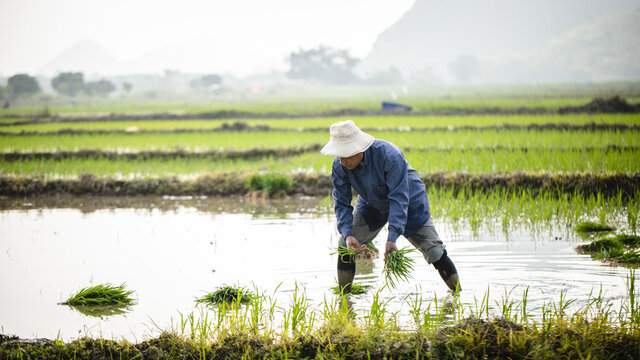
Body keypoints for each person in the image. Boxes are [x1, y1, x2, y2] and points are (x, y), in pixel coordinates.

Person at [321, 120, 461, 294]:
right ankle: (345, 299)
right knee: (344, 246)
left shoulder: (389, 156)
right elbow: (341, 202)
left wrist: (392, 238)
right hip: (371, 204)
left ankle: (458, 295)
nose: (342, 161)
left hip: (410, 202)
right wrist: (348, 235)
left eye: (346, 155)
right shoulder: (339, 165)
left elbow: (398, 198)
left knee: (434, 251)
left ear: (359, 149)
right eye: (338, 155)